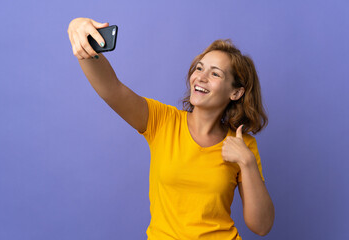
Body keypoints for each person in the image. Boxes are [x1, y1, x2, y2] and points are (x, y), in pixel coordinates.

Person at [67, 17, 275, 240]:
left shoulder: (243, 144)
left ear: (236, 93)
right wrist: (79, 33)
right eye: (199, 68)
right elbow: (111, 89)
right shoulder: (162, 120)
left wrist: (248, 163)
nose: (201, 77)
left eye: (215, 74)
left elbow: (261, 226)